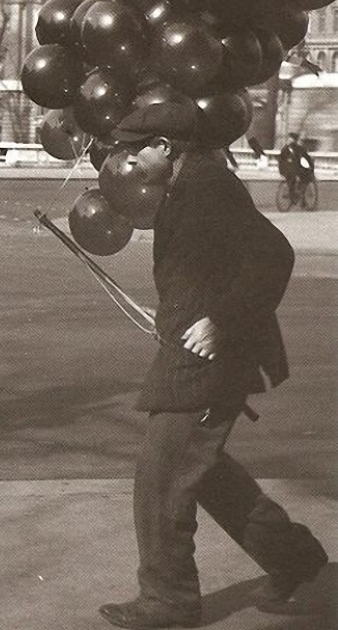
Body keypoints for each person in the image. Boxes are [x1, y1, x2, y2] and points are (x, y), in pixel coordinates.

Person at [97, 103, 327, 630]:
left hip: (208, 362)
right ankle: (295, 561)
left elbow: (275, 255)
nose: (129, 160)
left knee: (160, 479)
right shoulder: (188, 185)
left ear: (167, 148)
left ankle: (169, 601)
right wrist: (181, 311)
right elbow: (205, 268)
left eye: (137, 149)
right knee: (205, 474)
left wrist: (221, 319)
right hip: (192, 352)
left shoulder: (210, 188)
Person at [277, 133, 315, 203]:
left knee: (293, 180)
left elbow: (280, 160)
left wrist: (281, 170)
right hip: (295, 170)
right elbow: (307, 159)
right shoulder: (299, 148)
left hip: (286, 170)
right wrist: (311, 168)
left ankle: (294, 195)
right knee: (305, 178)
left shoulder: (285, 148)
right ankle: (302, 199)